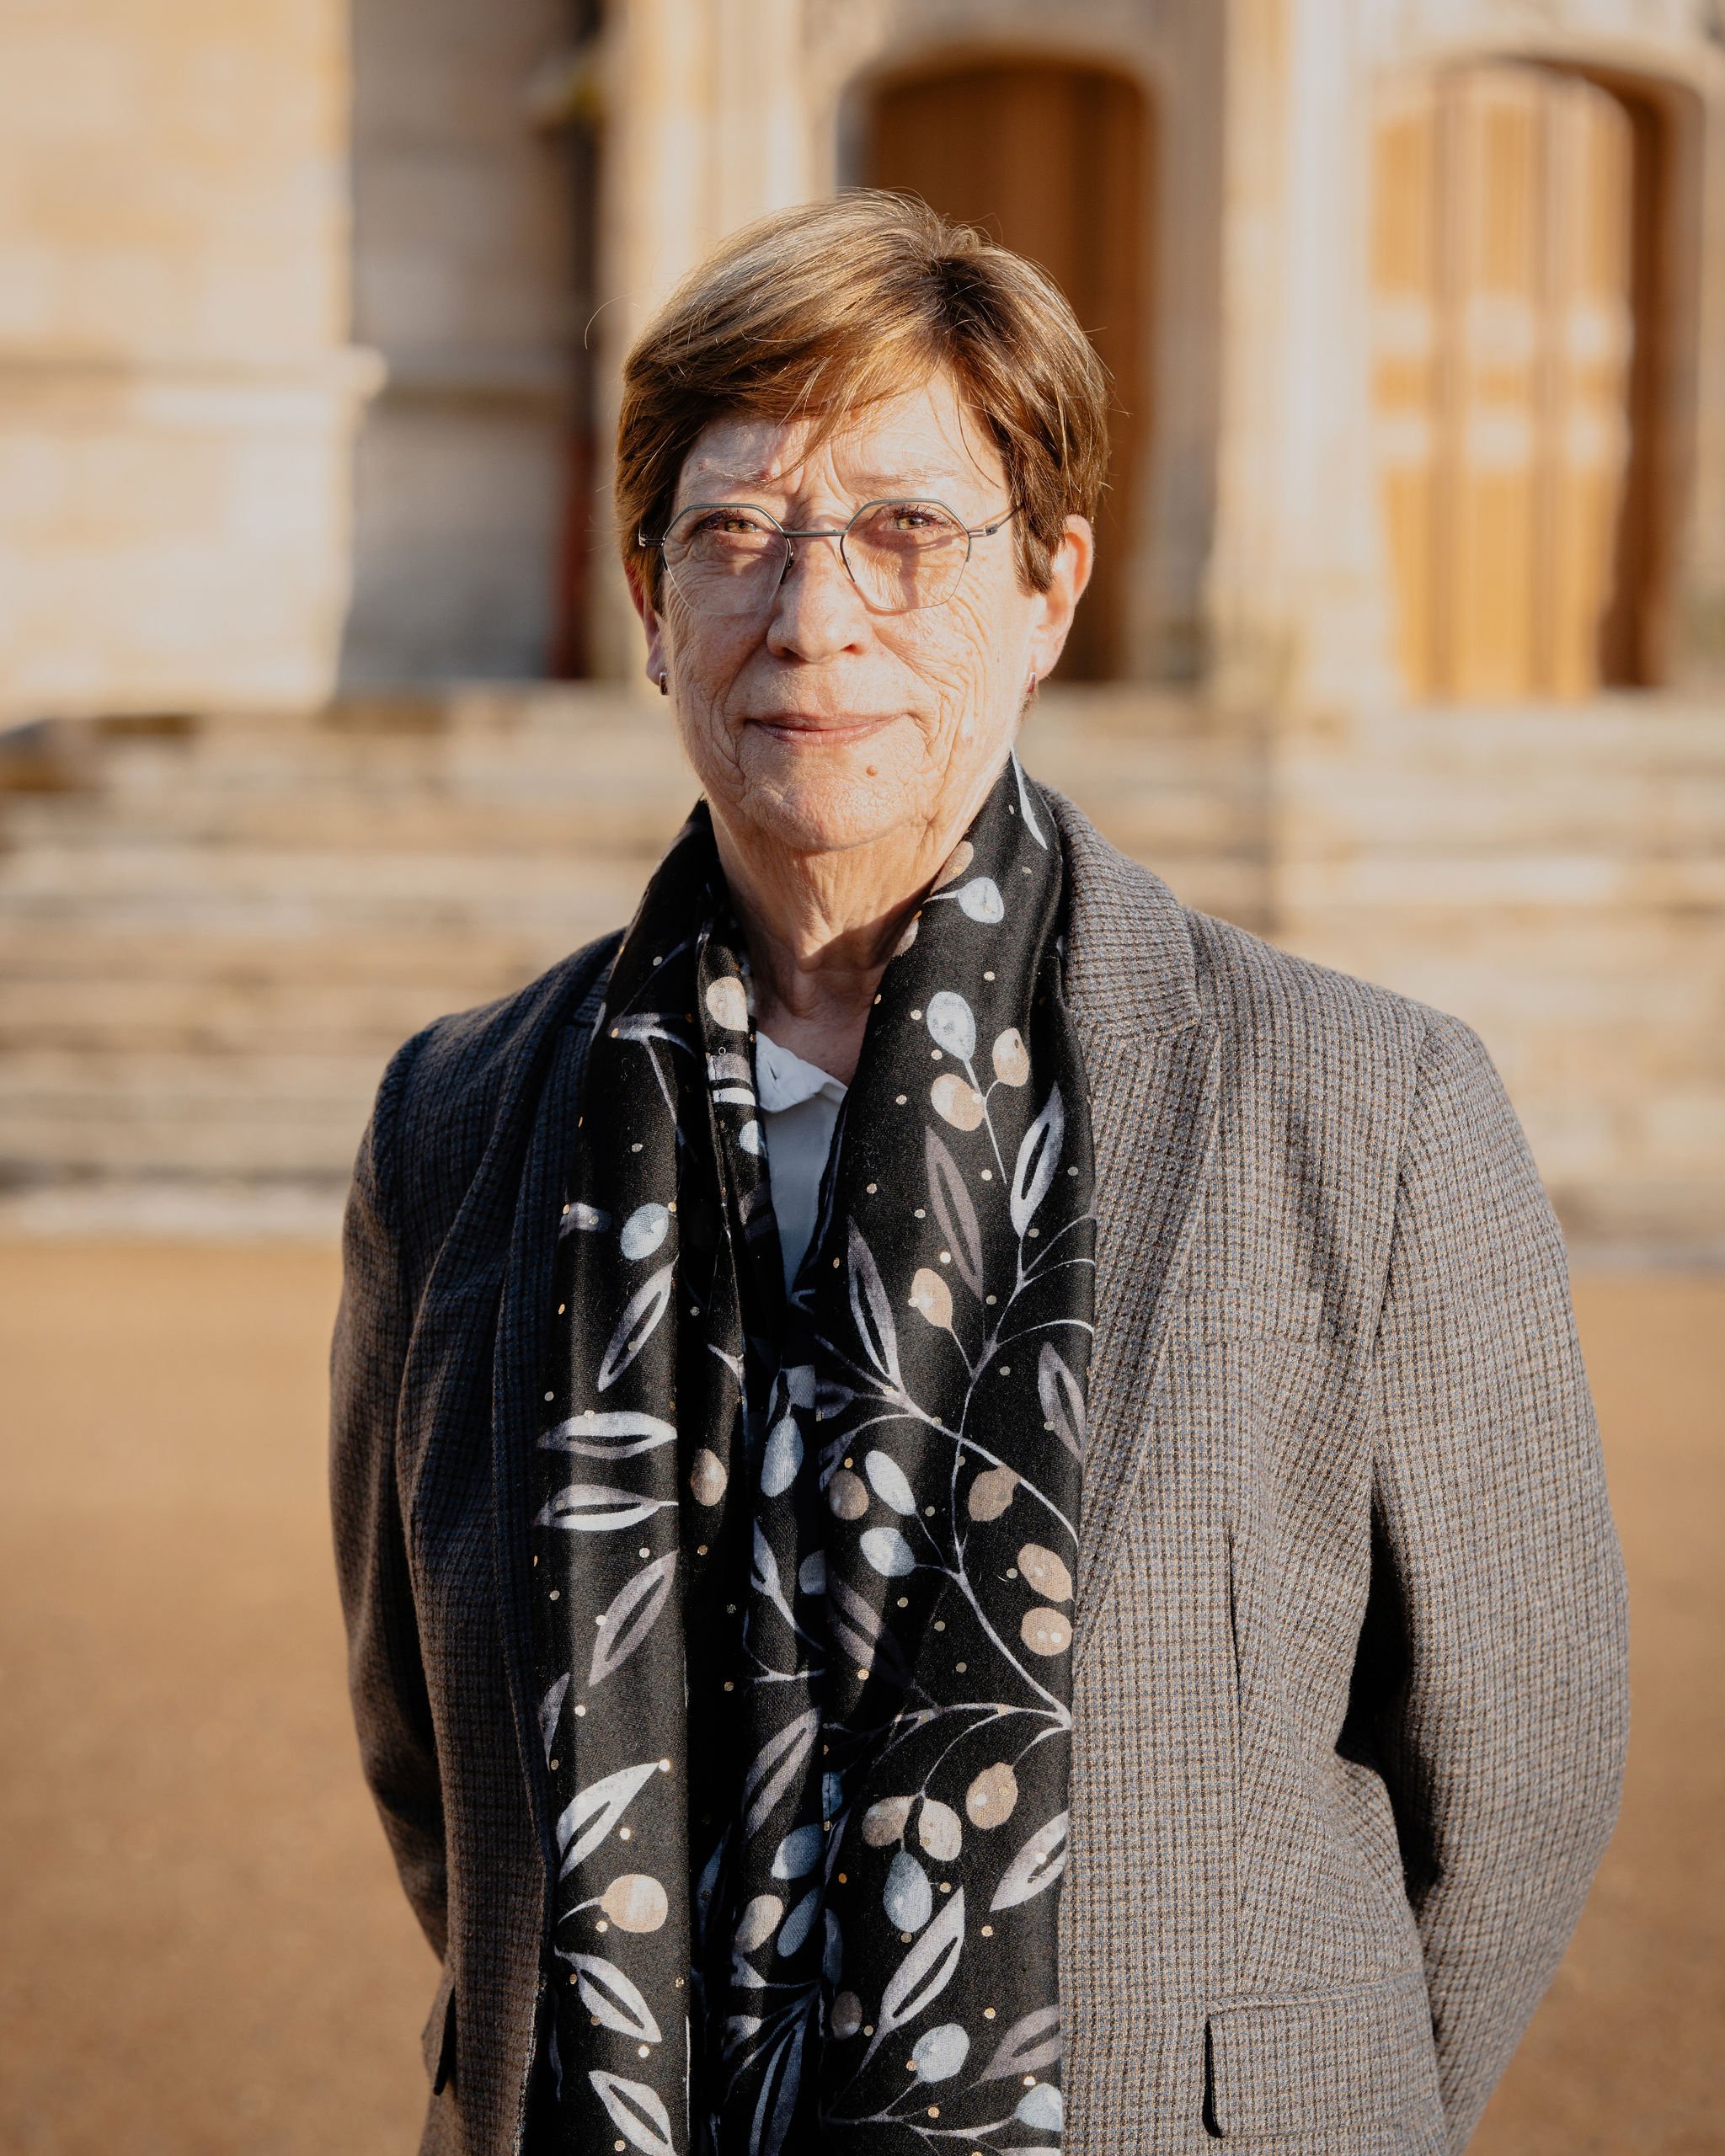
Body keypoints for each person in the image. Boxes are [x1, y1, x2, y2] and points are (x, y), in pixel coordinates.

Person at [331, 193, 1628, 2156]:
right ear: (648, 597)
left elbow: (1513, 1772)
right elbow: (431, 1747)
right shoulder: (454, 1125)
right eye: (737, 532)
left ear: (1049, 587)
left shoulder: (1366, 1109)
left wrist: (1275, 2095)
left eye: (908, 532)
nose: (812, 614)